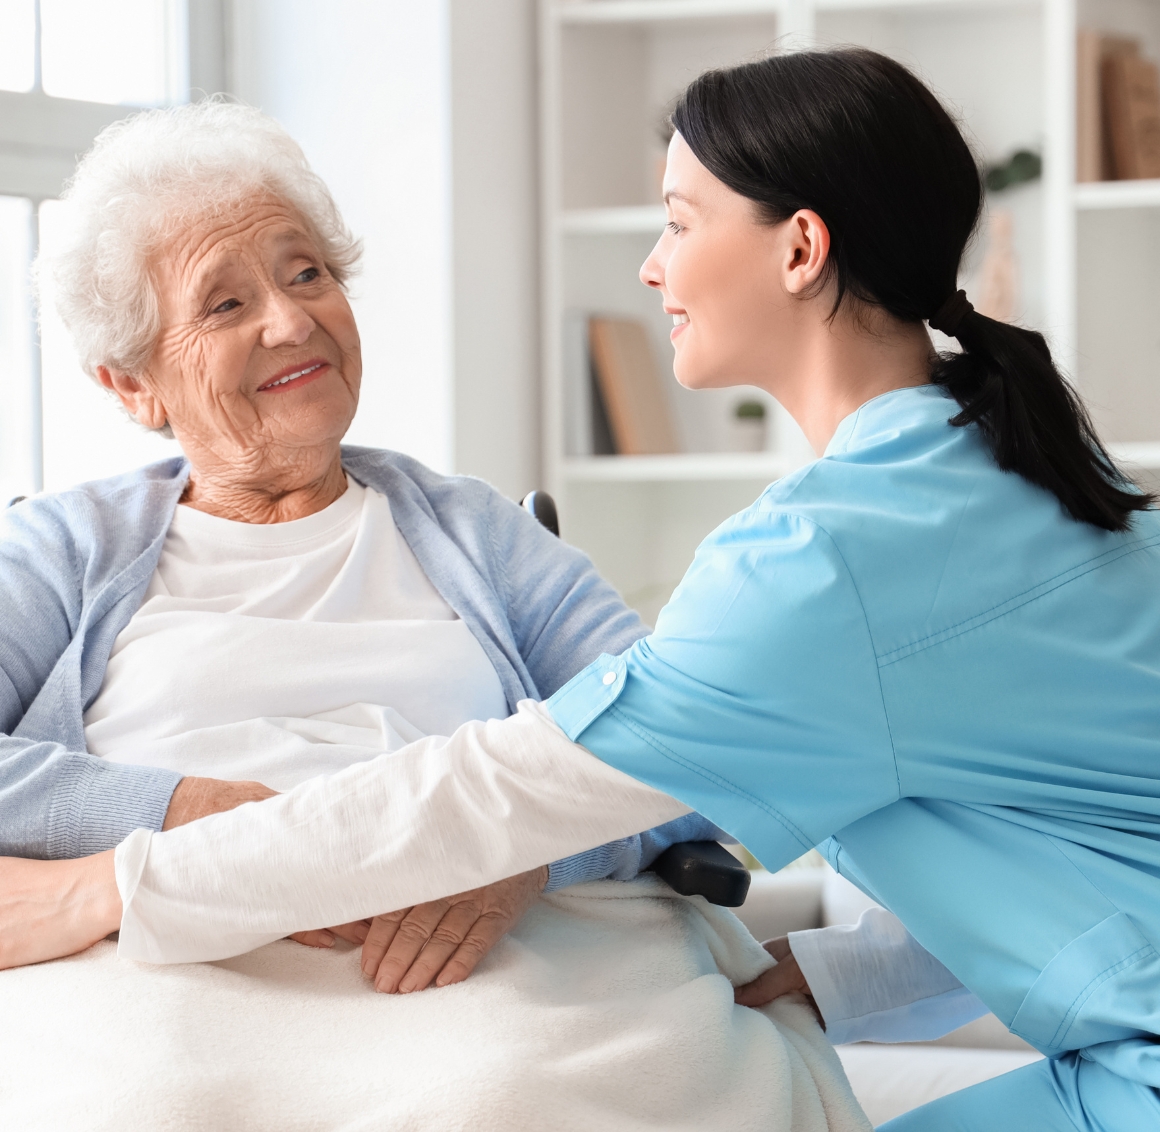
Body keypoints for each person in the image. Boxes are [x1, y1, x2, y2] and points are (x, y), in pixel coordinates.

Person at [9, 47, 1160, 1131]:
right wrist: (839, 972)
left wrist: (112, 887)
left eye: (675, 222)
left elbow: (504, 791)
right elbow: (1070, 841)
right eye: (223, 302)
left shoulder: (822, 563)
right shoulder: (1017, 473)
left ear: (799, 250)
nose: (652, 265)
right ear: (128, 381)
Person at [0, 97, 725, 990]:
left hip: (489, 988)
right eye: (226, 302)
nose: (292, 321)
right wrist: (186, 810)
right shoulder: (60, 549)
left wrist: (526, 855)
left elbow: (688, 749)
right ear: (133, 384)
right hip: (173, 994)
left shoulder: (480, 533)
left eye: (306, 274)